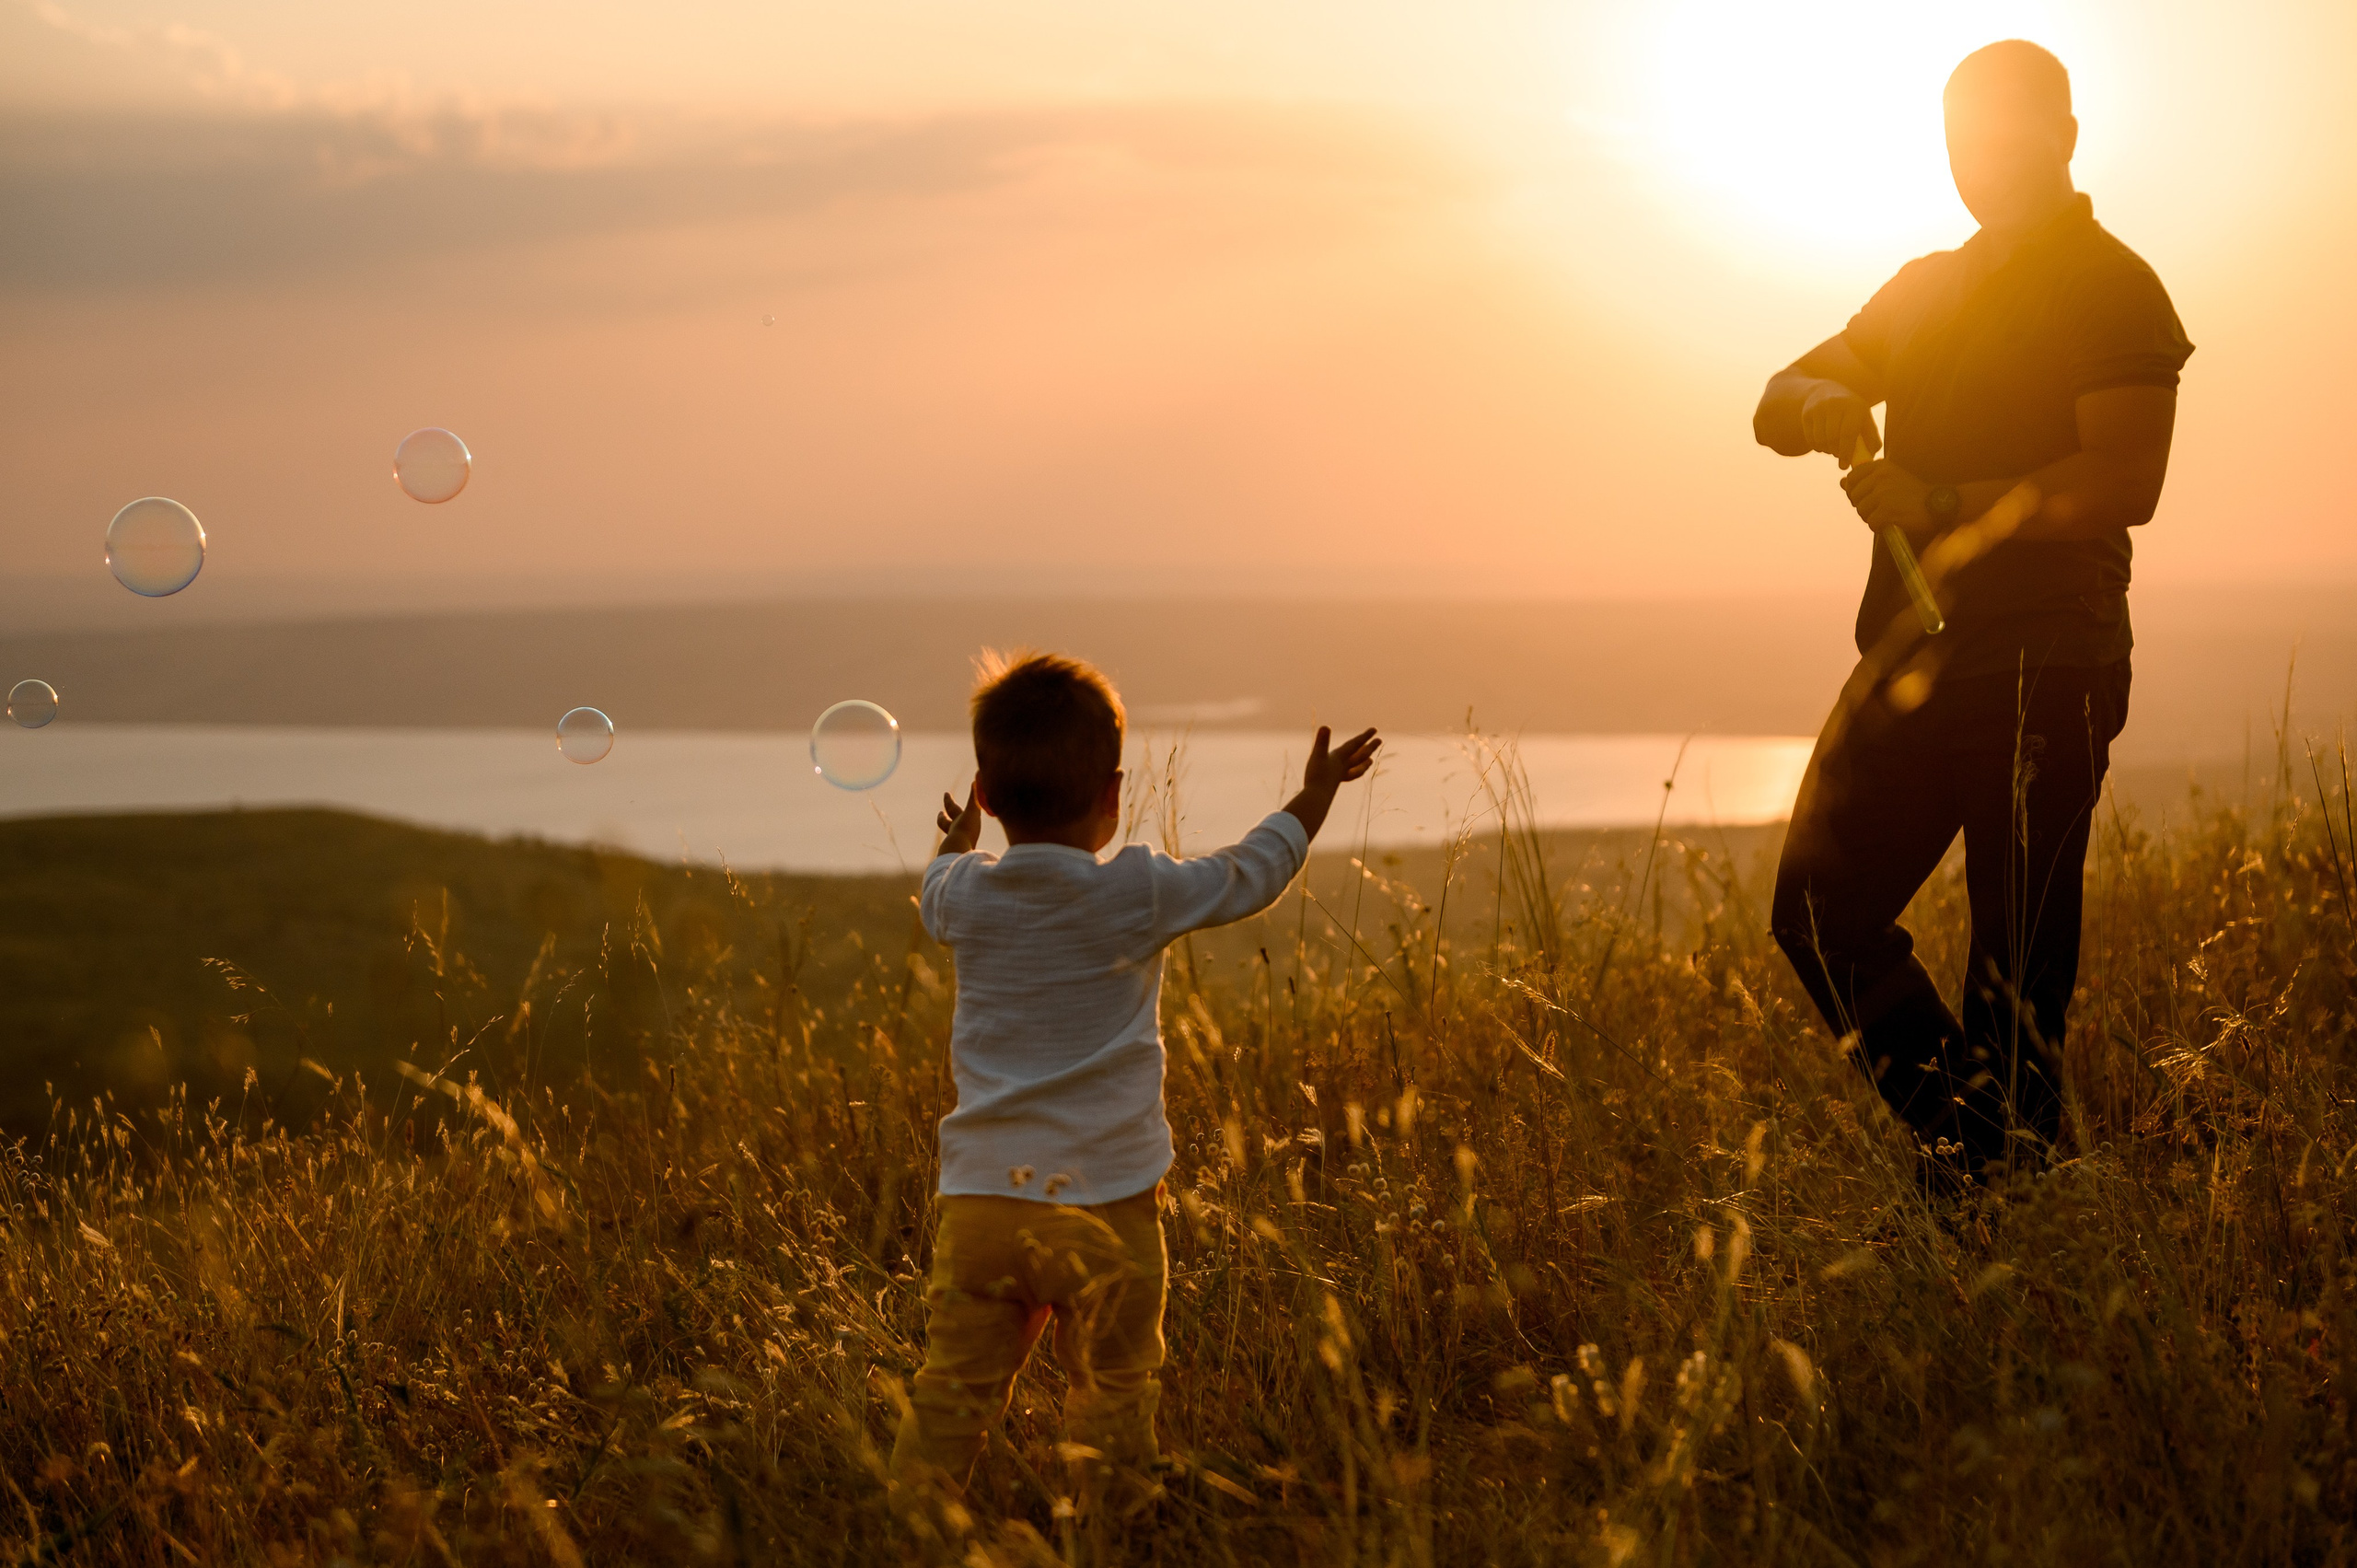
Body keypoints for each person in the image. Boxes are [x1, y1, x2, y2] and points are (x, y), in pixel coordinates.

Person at [1751, 41, 2192, 1188]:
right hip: (1908, 660)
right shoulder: (1926, 286)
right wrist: (1828, 403)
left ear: (2063, 137)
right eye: (1957, 142)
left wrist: (1940, 499)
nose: (1975, 164)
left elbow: (2123, 479)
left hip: (2046, 658)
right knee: (1812, 906)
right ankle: (1987, 1155)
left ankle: (1999, 1205)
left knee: (2016, 976)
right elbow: (1773, 397)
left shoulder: (2112, 283)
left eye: (1999, 138)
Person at [890, 649, 1378, 1495]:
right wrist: (1315, 794)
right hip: (1108, 1205)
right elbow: (1250, 872)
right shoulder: (1138, 892)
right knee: (1113, 1388)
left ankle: (902, 1529)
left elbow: (937, 878)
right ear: (1114, 795)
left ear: (989, 791)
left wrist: (957, 836)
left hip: (980, 1207)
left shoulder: (962, 894)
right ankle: (1107, 1527)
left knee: (950, 1394)